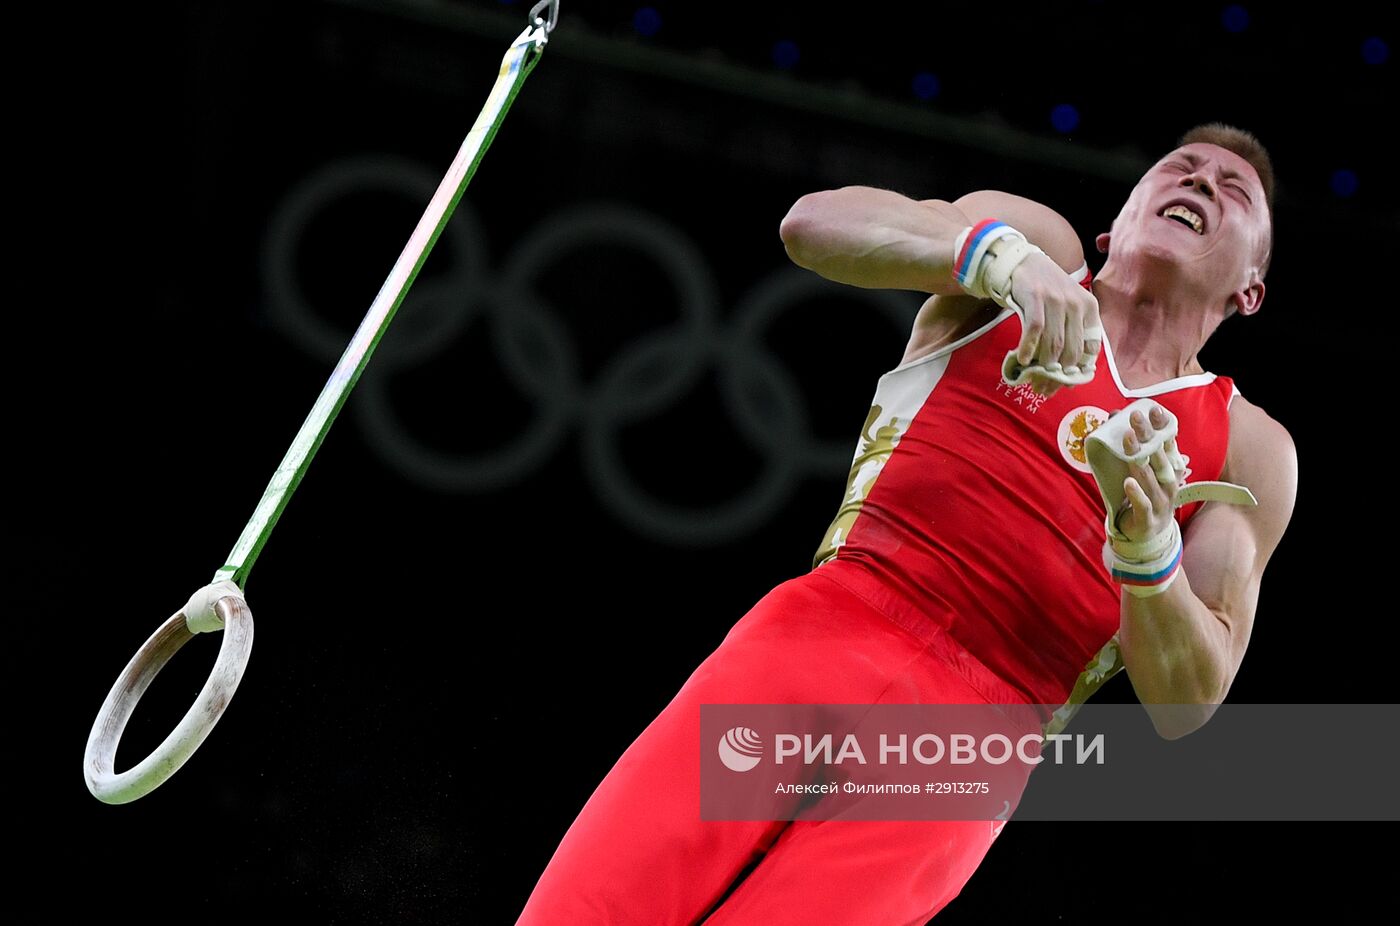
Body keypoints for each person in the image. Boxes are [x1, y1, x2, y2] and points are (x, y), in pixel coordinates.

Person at [515, 122, 1298, 925]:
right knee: (598, 903)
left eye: (1232, 190)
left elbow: (1187, 702)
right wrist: (995, 260)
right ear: (1116, 223)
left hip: (971, 745)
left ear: (1251, 289)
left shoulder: (1245, 448)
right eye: (1181, 168)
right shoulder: (1038, 247)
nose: (1202, 183)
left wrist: (1148, 547)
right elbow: (812, 225)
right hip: (823, 631)